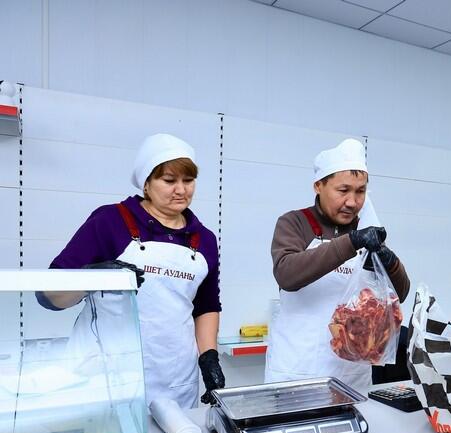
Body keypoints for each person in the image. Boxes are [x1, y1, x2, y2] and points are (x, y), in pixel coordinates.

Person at [38, 133, 225, 409]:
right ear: (146, 183)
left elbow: (206, 306)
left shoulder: (204, 239)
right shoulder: (110, 221)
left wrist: (208, 358)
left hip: (174, 376)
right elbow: (48, 296)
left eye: (188, 180)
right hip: (107, 373)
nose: (181, 190)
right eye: (169, 180)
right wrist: (95, 278)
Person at [268, 138, 410, 391]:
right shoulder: (294, 223)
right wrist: (351, 242)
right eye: (343, 190)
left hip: (352, 376)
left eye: (360, 191)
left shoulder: (367, 230)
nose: (352, 202)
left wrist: (390, 262)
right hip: (297, 371)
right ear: (318, 185)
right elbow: (287, 274)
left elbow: (399, 295)